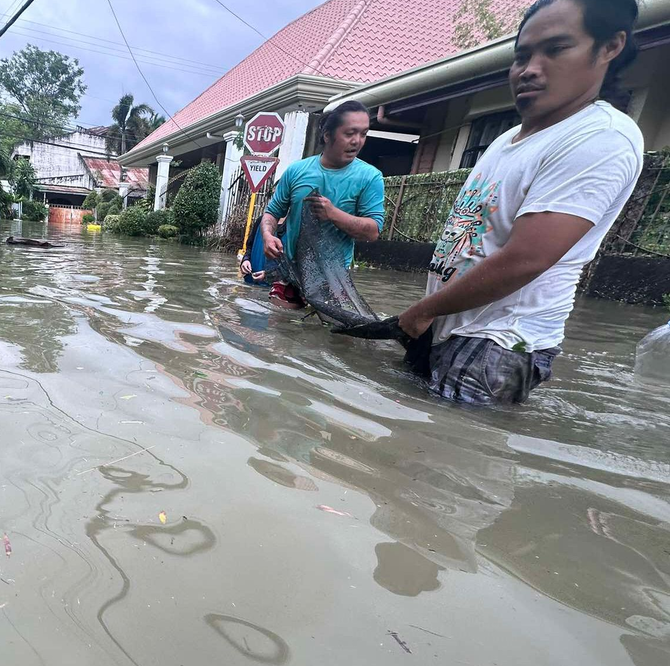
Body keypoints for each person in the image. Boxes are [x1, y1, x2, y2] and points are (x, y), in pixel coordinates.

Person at [395, 0, 643, 404]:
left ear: (610, 47)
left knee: (445, 461)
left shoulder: (601, 138)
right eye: (522, 56)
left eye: (556, 49)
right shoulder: (507, 140)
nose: (529, 68)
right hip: (450, 327)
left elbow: (525, 259)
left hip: (498, 344)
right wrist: (431, 314)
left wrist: (423, 310)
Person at [257, 100, 385, 307]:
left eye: (363, 134)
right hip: (290, 272)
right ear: (328, 136)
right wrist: (267, 237)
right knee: (278, 332)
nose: (357, 141)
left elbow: (373, 232)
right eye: (350, 133)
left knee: (329, 337)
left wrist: (334, 214)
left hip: (333, 278)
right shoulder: (296, 171)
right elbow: (272, 212)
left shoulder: (370, 177)